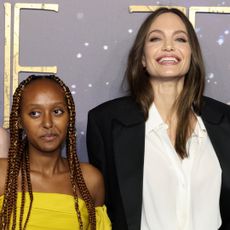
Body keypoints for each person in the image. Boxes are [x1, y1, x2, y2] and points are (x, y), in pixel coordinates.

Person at [86, 7, 230, 230]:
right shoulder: (107, 122)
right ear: (142, 58)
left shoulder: (225, 122)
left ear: (192, 55)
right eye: (155, 39)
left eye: (180, 39)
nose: (168, 46)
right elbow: (108, 211)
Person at [0, 75, 111, 229]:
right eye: (35, 113)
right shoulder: (3, 174)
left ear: (70, 116)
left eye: (57, 111)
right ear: (19, 121)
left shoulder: (89, 180)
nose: (48, 123)